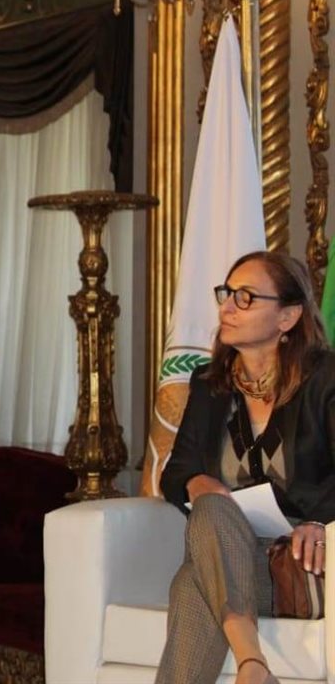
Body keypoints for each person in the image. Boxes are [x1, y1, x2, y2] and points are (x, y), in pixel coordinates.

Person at [158, 251, 335, 684]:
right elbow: (175, 474)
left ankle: (252, 667)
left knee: (193, 580)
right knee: (211, 510)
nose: (227, 307)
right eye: (227, 293)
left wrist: (322, 523)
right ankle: (252, 663)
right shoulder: (209, 384)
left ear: (288, 317)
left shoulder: (325, 380)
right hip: (235, 554)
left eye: (246, 297)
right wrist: (196, 482)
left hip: (301, 565)